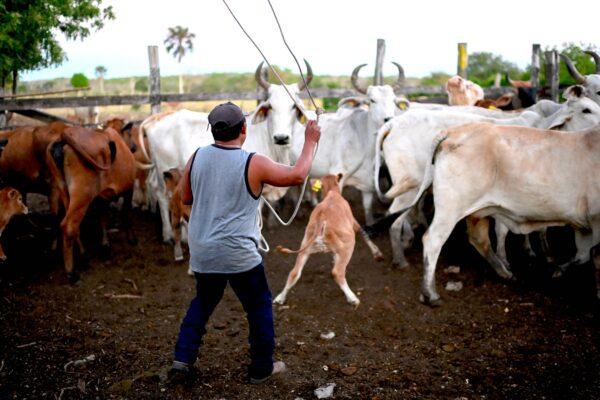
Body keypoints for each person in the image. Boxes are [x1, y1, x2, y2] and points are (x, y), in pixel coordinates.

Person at [169, 102, 321, 384]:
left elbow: (185, 199)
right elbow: (298, 175)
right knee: (258, 306)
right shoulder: (254, 162)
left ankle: (182, 361)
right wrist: (311, 140)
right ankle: (262, 368)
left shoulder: (196, 157)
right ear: (244, 129)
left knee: (202, 303)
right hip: (239, 254)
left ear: (213, 131)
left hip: (203, 251)